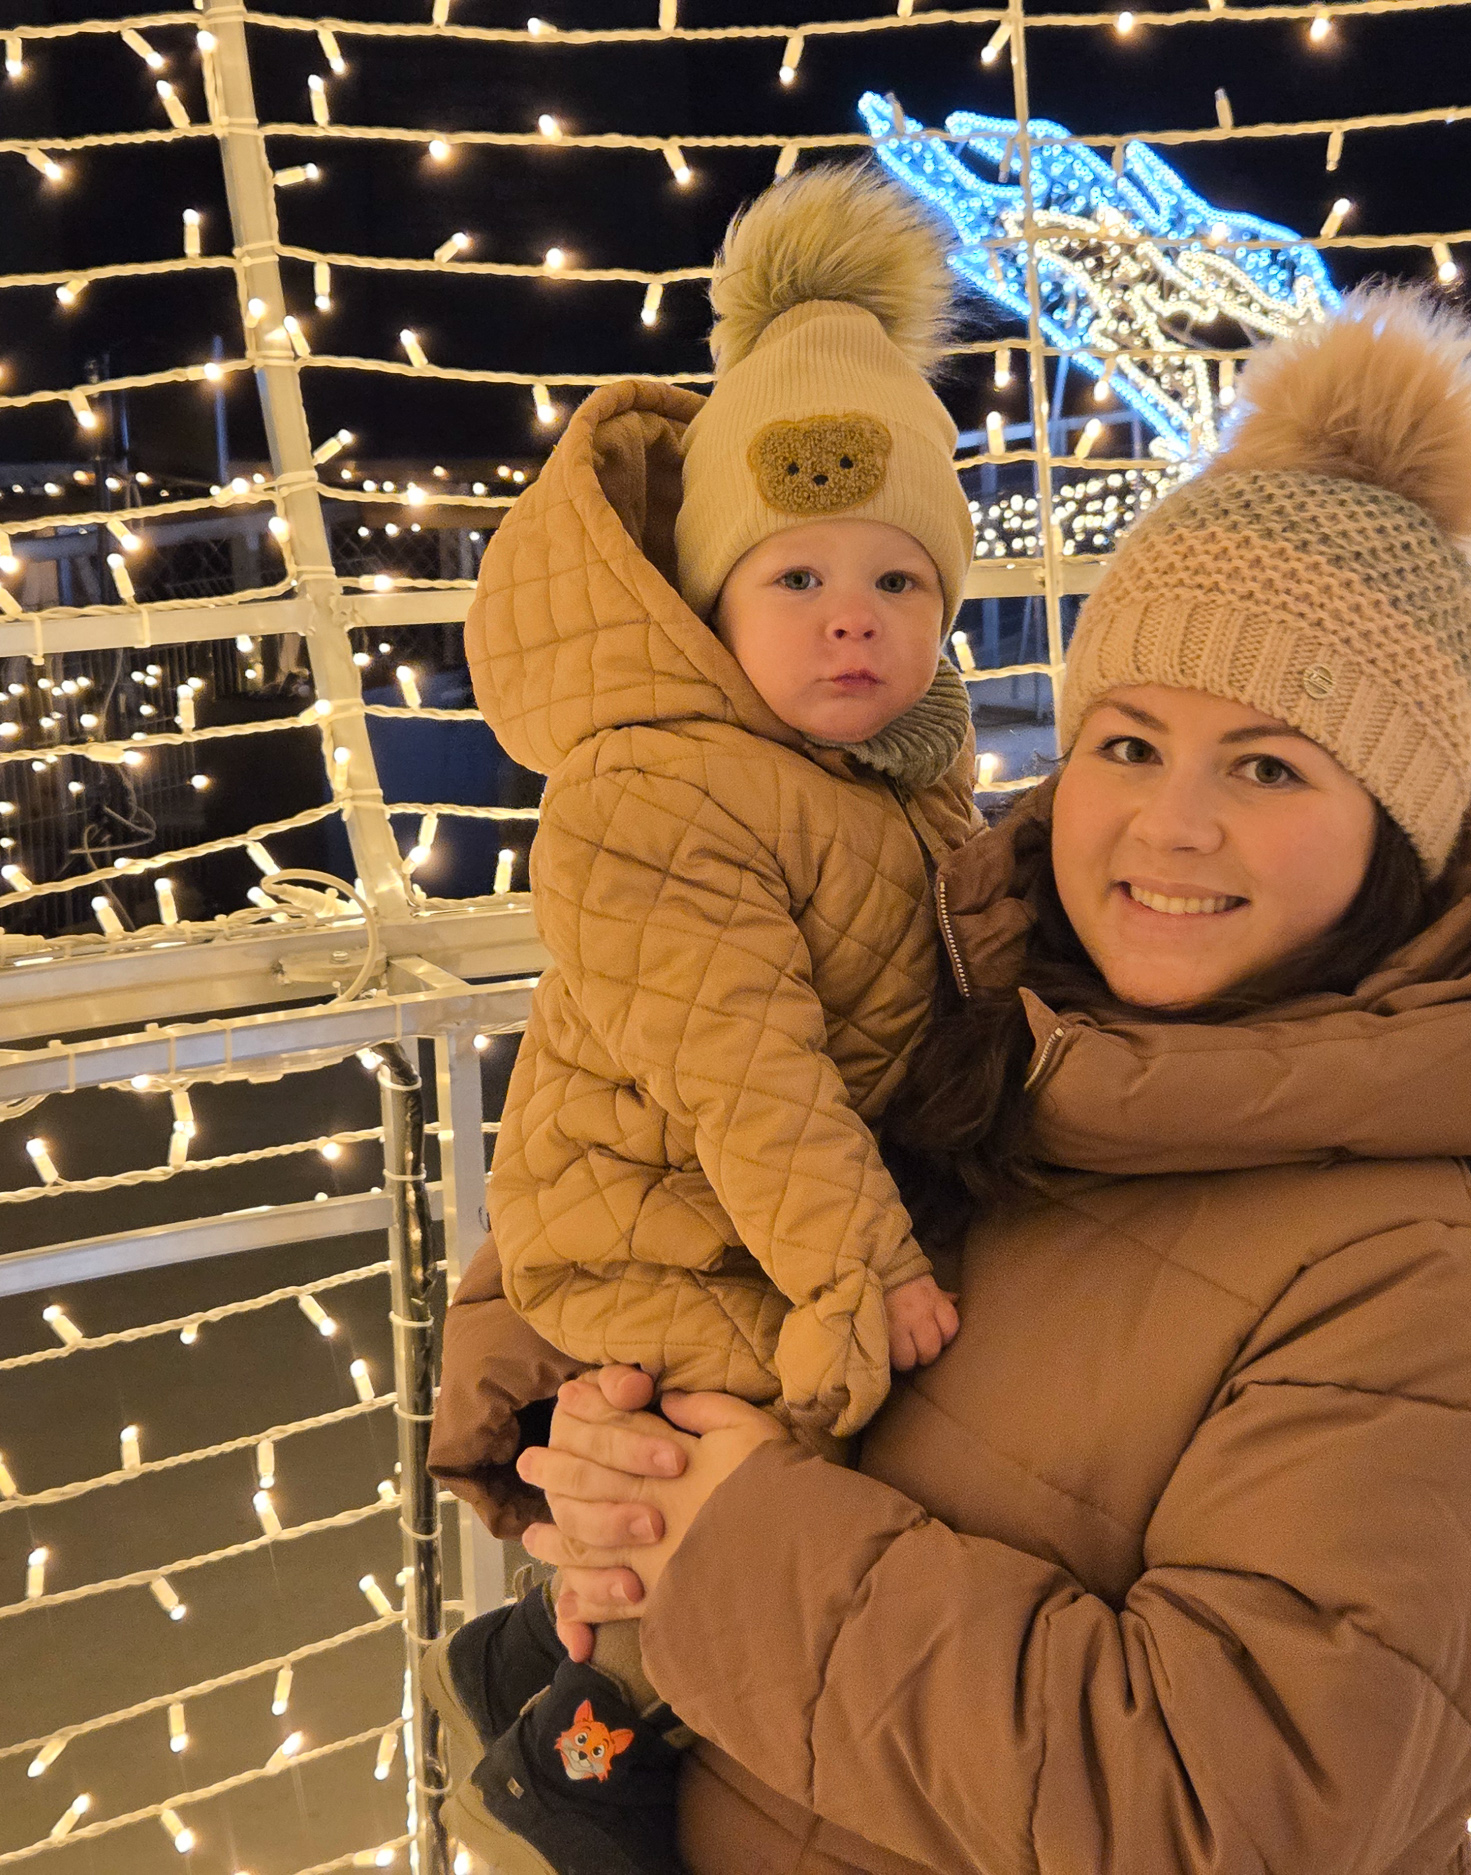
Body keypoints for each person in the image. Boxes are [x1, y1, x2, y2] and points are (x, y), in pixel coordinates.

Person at [436, 288, 1471, 1874]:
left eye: (1269, 765)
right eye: (1130, 744)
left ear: (1399, 828)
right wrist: (589, 1436)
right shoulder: (1003, 1037)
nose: (1172, 826)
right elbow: (644, 1181)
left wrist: (727, 1540)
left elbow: (1219, 1816)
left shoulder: (1449, 1292)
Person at [421, 165, 982, 1874]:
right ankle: (581, 1751)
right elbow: (749, 1071)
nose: (852, 619)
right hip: (658, 1221)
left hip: (739, 1205)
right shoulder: (659, 789)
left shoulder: (890, 785)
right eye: (795, 577)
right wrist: (859, 1277)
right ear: (710, 605)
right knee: (756, 1477)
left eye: (898, 583)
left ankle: (528, 1654)